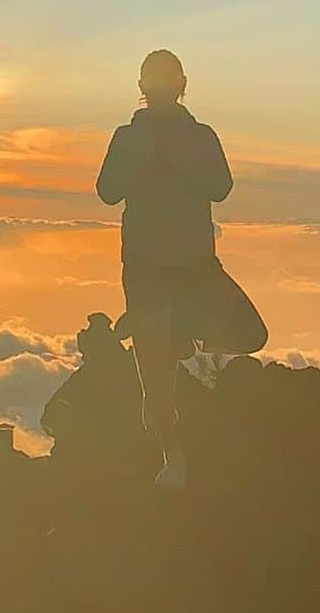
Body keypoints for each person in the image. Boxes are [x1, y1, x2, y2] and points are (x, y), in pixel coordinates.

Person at [96, 49, 266, 490]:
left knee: (250, 334)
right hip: (149, 271)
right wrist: (146, 157)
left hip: (192, 267)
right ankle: (173, 461)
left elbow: (220, 187)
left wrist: (176, 161)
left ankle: (178, 333)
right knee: (156, 389)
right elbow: (108, 191)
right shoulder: (129, 138)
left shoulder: (199, 137)